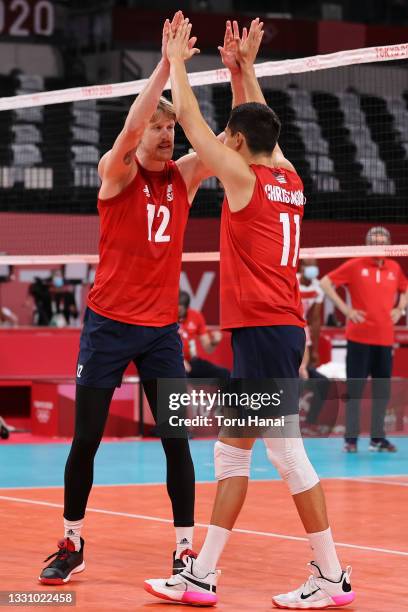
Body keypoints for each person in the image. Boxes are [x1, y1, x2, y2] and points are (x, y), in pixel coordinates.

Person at [145, 18, 354, 609]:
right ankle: (207, 576)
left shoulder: (242, 178)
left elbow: (191, 122)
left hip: (264, 330)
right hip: (272, 329)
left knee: (281, 453)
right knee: (238, 452)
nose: (224, 141)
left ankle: (326, 575)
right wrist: (244, 71)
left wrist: (176, 62)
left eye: (228, 136)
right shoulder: (287, 175)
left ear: (234, 143)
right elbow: (258, 123)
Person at [38, 11, 221, 585]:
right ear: (140, 135)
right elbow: (129, 128)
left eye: (172, 130)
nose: (168, 136)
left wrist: (236, 70)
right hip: (108, 325)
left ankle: (184, 550)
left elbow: (220, 142)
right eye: (158, 130)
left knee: (176, 440)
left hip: (161, 331)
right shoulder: (115, 174)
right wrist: (166, 66)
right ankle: (72, 541)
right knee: (86, 438)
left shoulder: (186, 176)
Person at [320, 226, 407, 453]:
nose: (378, 246)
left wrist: (400, 308)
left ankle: (377, 439)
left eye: (382, 242)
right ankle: (351, 439)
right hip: (359, 338)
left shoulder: (394, 268)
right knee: (355, 390)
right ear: (368, 245)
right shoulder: (355, 265)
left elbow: (405, 288)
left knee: (382, 391)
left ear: (388, 246)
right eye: (374, 242)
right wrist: (346, 310)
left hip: (384, 339)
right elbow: (325, 283)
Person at [298, 259, 331, 435]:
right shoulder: (291, 282)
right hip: (287, 339)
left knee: (322, 383)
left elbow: (316, 319)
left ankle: (310, 424)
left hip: (302, 346)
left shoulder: (318, 288)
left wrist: (314, 351)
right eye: (309, 265)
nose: (313, 269)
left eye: (315, 265)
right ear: (301, 268)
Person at [178, 290, 230, 379]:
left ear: (187, 308)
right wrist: (180, 360)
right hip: (175, 362)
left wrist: (214, 342)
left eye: (180, 311)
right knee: (181, 377)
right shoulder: (168, 318)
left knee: (225, 374)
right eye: (176, 309)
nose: (177, 314)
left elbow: (208, 349)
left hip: (192, 361)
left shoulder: (196, 316)